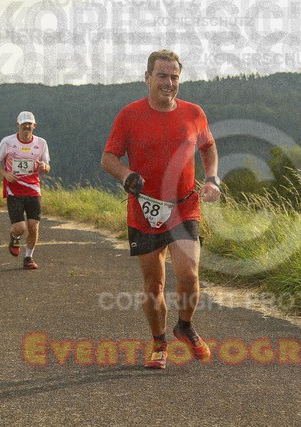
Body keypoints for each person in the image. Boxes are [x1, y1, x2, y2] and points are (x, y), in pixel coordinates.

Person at [101, 50, 221, 369]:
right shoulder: (129, 115)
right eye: (162, 76)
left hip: (184, 206)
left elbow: (208, 148)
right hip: (145, 209)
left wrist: (212, 178)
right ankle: (159, 343)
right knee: (154, 285)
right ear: (147, 78)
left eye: (174, 77)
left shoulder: (194, 113)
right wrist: (126, 175)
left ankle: (185, 326)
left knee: (189, 273)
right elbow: (108, 157)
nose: (169, 83)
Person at [0, 111, 51, 270]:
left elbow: (47, 168)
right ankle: (14, 236)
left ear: (34, 126)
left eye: (29, 124)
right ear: (17, 125)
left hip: (33, 190)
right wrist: (6, 174)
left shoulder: (41, 143)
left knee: (33, 227)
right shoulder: (8, 142)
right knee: (20, 228)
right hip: (14, 191)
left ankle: (28, 258)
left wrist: (44, 167)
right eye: (23, 123)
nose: (26, 126)